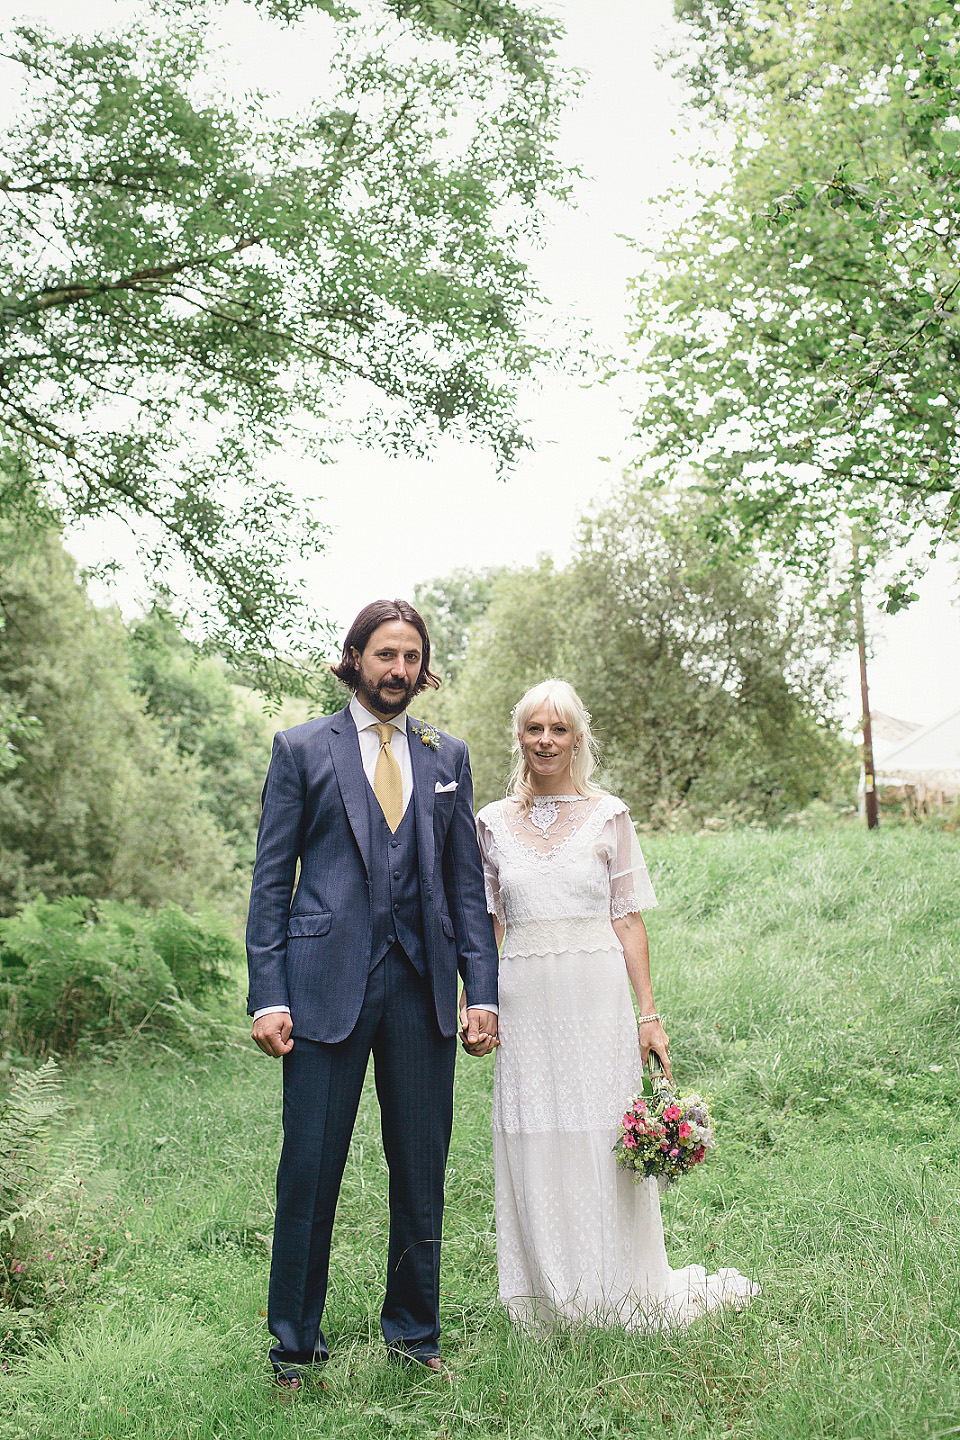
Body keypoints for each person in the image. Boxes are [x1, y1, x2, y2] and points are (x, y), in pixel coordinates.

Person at [246, 599, 500, 1388]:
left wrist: (481, 992)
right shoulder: (300, 749)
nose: (398, 670)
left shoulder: (444, 752)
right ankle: (294, 1348)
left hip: (422, 992)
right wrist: (268, 994)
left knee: (421, 1173)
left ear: (423, 668)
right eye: (385, 654)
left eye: (411, 657)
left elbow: (465, 891)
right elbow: (270, 884)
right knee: (310, 1172)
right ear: (354, 657)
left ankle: (414, 1337)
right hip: (322, 991)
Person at [465, 678, 758, 1330]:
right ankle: (547, 1301)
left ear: (577, 738)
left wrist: (647, 1015)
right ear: (519, 736)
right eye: (534, 728)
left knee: (599, 1137)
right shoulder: (489, 822)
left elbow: (627, 921)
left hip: (596, 997)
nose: (545, 740)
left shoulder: (609, 815)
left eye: (558, 729)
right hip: (525, 997)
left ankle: (616, 1291)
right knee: (534, 1135)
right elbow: (487, 925)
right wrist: (475, 1000)